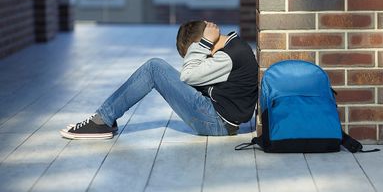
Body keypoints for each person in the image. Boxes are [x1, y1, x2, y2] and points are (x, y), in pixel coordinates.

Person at [60, 21, 258, 139]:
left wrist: (204, 42)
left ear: (204, 44)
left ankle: (102, 120)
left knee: (155, 67)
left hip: (216, 124)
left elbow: (187, 75)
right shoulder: (234, 48)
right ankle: (105, 119)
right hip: (219, 118)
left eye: (198, 52)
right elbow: (192, 80)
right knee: (164, 71)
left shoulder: (228, 56)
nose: (201, 55)